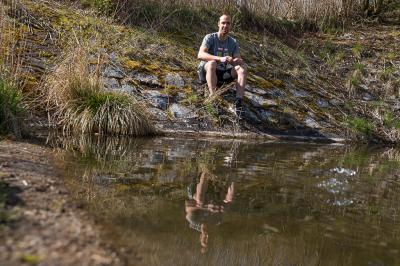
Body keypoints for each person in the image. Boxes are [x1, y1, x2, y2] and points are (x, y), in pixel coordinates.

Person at [197, 14, 247, 116]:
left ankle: (238, 103)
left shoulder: (233, 42)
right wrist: (220, 58)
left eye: (228, 23)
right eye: (223, 23)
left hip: (222, 75)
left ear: (230, 26)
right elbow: (200, 54)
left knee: (242, 69)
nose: (225, 25)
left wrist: (236, 60)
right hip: (206, 71)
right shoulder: (210, 37)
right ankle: (212, 97)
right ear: (218, 24)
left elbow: (237, 59)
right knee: (212, 63)